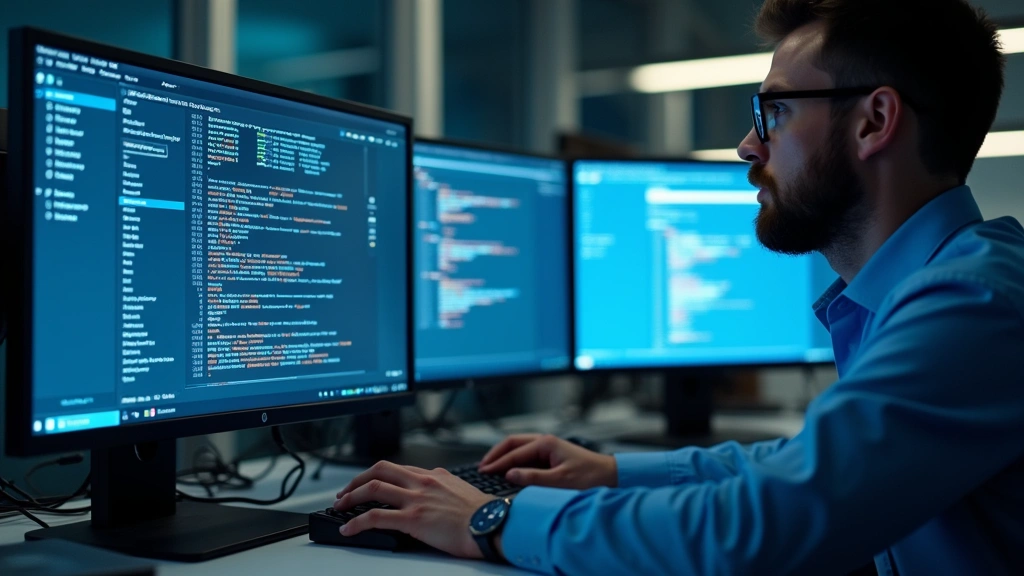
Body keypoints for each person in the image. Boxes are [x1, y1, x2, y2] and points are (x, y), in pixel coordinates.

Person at [332, 0, 1023, 573]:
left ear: (875, 120)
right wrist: (611, 472)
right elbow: (799, 463)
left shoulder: (973, 303)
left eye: (774, 112)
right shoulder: (934, 291)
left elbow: (760, 526)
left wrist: (490, 519)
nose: (749, 147)